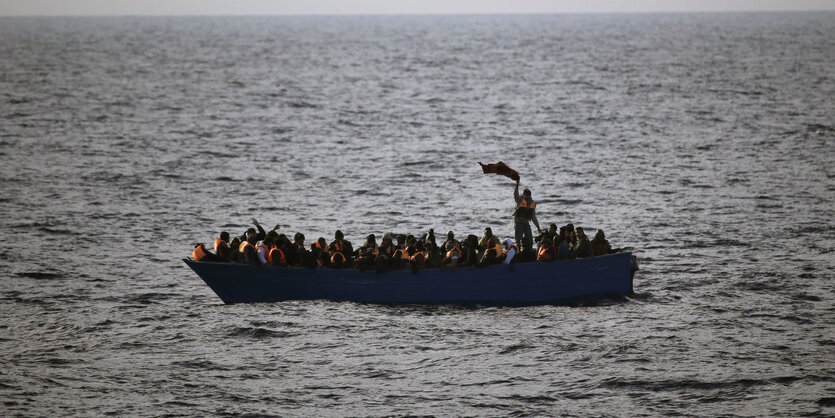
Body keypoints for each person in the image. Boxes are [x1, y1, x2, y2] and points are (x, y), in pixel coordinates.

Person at [513, 183, 542, 251]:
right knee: (518, 241)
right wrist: (516, 186)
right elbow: (515, 195)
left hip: (526, 223)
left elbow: (533, 216)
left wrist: (538, 226)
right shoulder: (520, 200)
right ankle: (518, 252)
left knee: (530, 239)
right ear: (524, 195)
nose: (527, 197)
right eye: (526, 195)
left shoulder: (532, 203)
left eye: (529, 196)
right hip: (519, 222)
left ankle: (529, 251)